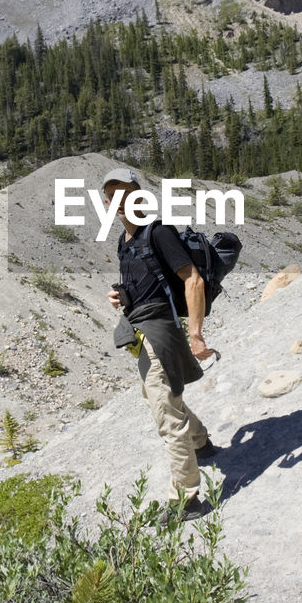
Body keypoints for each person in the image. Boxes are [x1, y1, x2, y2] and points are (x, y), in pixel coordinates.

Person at [103, 166, 217, 520]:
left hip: (158, 330)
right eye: (113, 196)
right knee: (160, 395)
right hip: (140, 330)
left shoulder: (159, 232)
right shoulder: (124, 243)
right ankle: (201, 442)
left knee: (164, 409)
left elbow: (193, 280)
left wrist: (196, 334)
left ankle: (188, 498)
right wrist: (122, 297)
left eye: (126, 192)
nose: (120, 201)